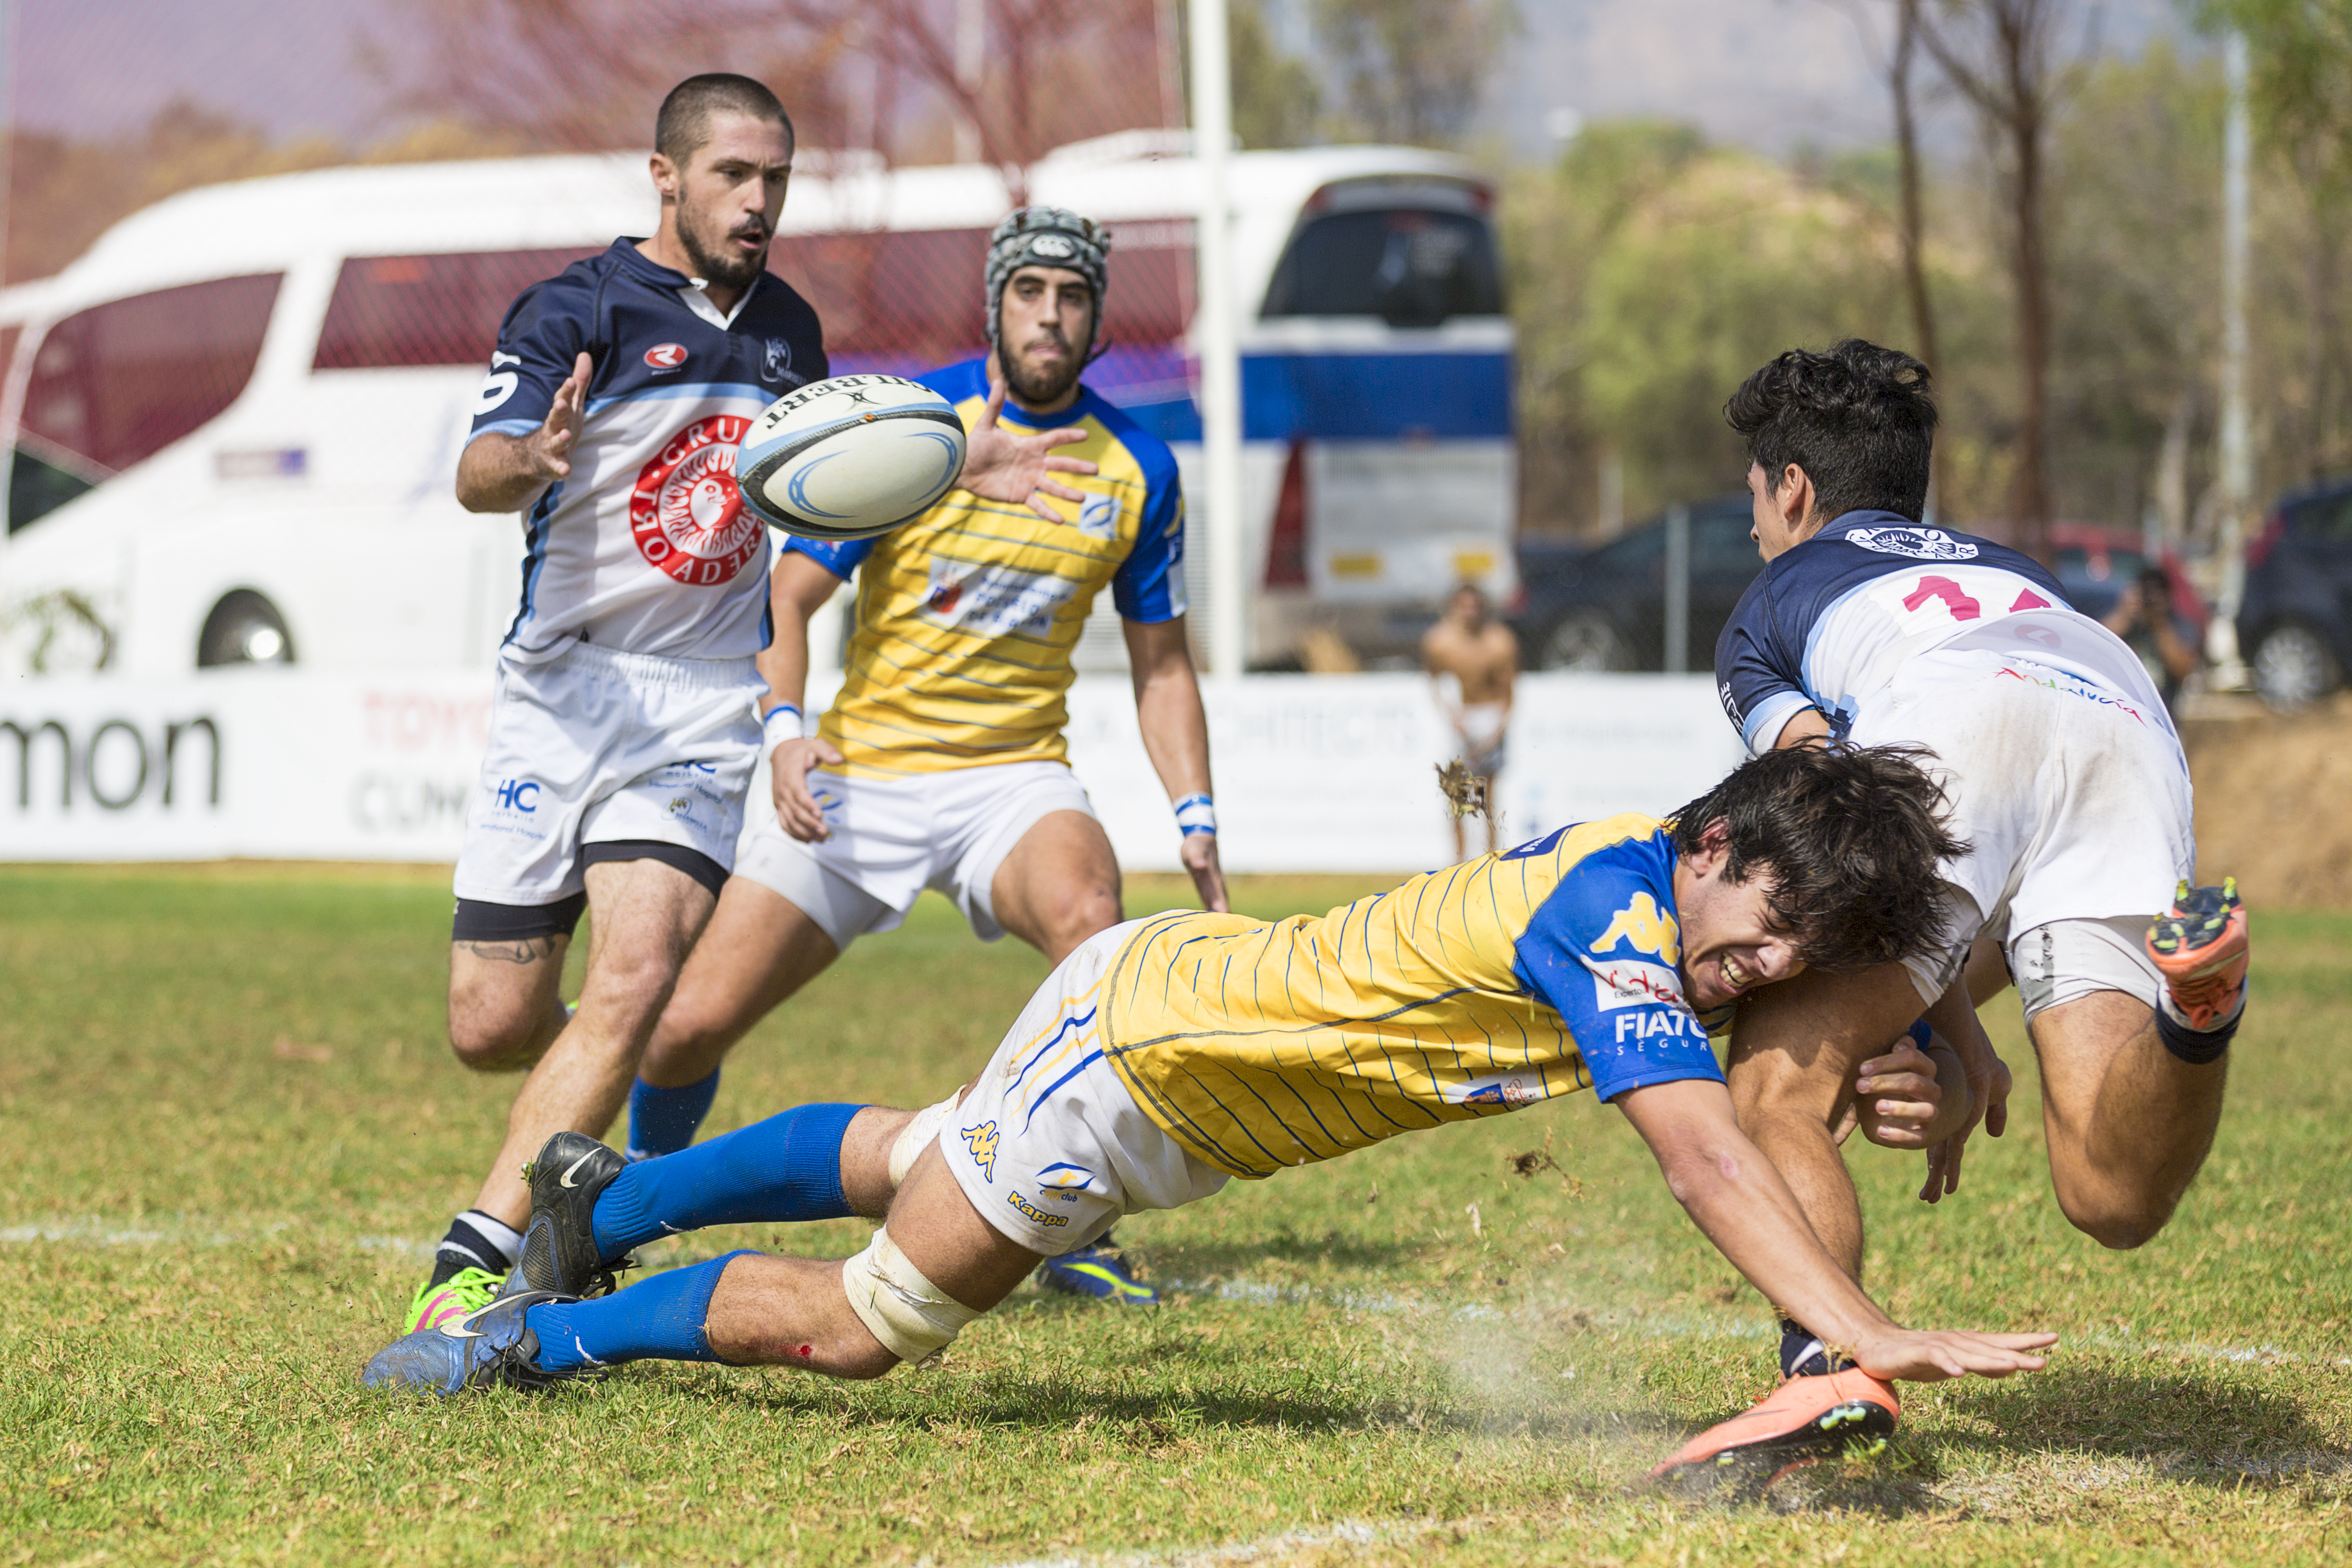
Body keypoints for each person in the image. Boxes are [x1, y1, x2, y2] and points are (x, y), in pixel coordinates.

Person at [367, 746, 2060, 1498]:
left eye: (1794, 956)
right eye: (1759, 928)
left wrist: (1909, 1035)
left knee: (911, 1145)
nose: (1760, 967)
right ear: (1711, 847)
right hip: (1141, 1073)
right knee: (871, 1321)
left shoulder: (1657, 872)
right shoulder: (1617, 922)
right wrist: (1860, 1326)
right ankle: (538, 1335)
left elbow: (1764, 1054)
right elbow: (1702, 1147)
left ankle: (623, 1189)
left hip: (1169, 1016)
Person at [403, 78, 1088, 1337]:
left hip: (700, 706)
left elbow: (828, 488)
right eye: (732, 175)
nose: (759, 201)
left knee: (636, 977)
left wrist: (954, 455)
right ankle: (600, 1143)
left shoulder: (789, 330)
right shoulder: (578, 309)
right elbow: (474, 473)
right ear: (664, 178)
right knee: (491, 1024)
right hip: (561, 694)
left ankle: (480, 1257)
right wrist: (534, 457)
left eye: (774, 177)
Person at [614, 206, 1226, 1311]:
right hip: (863, 776)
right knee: (689, 1024)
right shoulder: (908, 427)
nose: (1051, 313)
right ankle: (633, 1200)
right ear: (997, 302)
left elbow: (1164, 666)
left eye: (1073, 296)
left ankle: (1072, 1223)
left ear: (1096, 320)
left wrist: (1197, 815)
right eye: (1031, 290)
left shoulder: (1139, 465)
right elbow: (784, 600)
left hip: (1014, 778)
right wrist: (787, 734)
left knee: (1094, 924)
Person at [1670, 340, 2249, 1472]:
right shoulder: (2010, 560)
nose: (1752, 524)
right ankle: (2199, 1010)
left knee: (1778, 1080)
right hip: (2119, 701)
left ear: (1793, 486)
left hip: (1952, 711)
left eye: (1754, 494)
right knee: (2112, 1190)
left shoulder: (1772, 599)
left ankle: (1825, 1374)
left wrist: (1930, 1019)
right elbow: (1954, 874)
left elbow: (1832, 825)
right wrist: (1939, 1016)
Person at [1422, 583, 1518, 859]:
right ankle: (1458, 865)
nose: (1469, 612)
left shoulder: (1500, 641)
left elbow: (1509, 691)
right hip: (1460, 720)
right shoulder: (1439, 641)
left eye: (1474, 606)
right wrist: (1452, 716)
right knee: (1457, 798)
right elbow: (1435, 684)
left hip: (1490, 716)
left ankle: (1491, 861)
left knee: (1488, 800)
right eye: (1463, 606)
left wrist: (1498, 728)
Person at [2102, 565, 2201, 716]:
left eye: (2158, 593)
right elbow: (2098, 644)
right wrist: (2125, 613)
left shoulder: (2179, 625)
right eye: (2147, 593)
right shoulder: (2127, 621)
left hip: (2162, 718)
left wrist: (2160, 624)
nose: (2151, 600)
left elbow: (2183, 670)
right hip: (2123, 714)